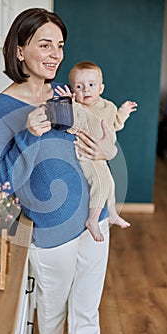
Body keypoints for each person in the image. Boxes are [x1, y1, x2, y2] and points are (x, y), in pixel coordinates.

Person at [0, 8, 118, 334]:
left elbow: (99, 144)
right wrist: (27, 134)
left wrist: (106, 150)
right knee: (53, 315)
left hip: (95, 220)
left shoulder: (63, 95)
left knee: (87, 313)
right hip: (52, 230)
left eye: (59, 45)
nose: (56, 54)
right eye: (45, 45)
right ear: (19, 50)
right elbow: (0, 180)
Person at [55, 61, 137, 241]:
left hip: (102, 157)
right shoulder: (77, 108)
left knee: (110, 183)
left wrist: (124, 112)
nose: (86, 90)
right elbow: (71, 126)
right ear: (72, 89)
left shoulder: (108, 107)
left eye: (91, 85)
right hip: (86, 153)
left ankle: (112, 212)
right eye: (79, 86)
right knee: (100, 183)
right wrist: (69, 104)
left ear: (101, 88)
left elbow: (115, 123)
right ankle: (92, 220)